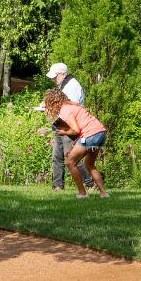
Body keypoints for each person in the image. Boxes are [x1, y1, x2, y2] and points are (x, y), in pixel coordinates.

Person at [43, 88, 109, 198]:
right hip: (100, 133)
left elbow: (75, 130)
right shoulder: (73, 106)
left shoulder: (65, 110)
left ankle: (82, 193)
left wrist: (64, 132)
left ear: (53, 102)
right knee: (89, 164)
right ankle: (103, 193)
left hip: (90, 134)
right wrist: (74, 144)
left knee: (70, 162)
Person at [44, 63, 94, 191]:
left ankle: (90, 183)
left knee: (71, 156)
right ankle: (58, 186)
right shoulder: (63, 85)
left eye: (55, 76)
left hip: (69, 125)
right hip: (60, 124)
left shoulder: (73, 85)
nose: (53, 79)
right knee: (57, 156)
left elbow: (73, 106)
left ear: (63, 74)